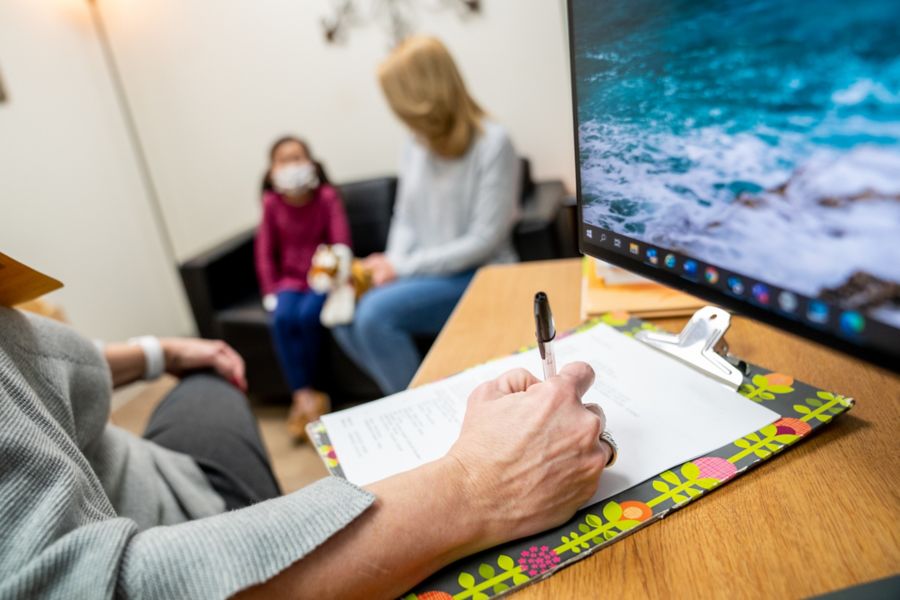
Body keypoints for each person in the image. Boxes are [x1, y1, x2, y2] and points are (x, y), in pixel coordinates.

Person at [0, 299, 613, 599]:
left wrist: (162, 352)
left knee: (206, 375)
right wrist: (480, 484)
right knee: (216, 388)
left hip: (119, 459)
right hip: (198, 517)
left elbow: (36, 364)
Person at [332, 36, 521, 395]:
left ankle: (420, 408)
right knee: (341, 312)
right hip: (426, 272)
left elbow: (484, 241)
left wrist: (401, 267)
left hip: (479, 274)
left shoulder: (494, 143)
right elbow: (405, 216)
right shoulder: (414, 146)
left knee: (374, 316)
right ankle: (407, 400)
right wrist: (387, 264)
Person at [255, 136, 351, 437]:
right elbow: (264, 253)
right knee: (283, 318)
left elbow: (341, 243)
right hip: (288, 281)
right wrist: (270, 291)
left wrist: (333, 272)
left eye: (298, 157)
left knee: (309, 317)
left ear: (311, 162)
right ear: (272, 170)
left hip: (322, 277)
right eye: (284, 160)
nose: (292, 165)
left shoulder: (326, 197)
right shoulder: (271, 204)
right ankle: (303, 395)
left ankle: (314, 392)